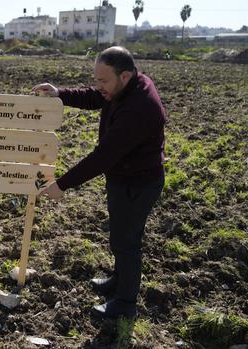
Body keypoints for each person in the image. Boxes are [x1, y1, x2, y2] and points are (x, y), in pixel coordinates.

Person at [32, 46, 167, 319]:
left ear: (125, 76)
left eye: (103, 80)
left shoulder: (138, 109)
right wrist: (61, 94)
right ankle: (119, 281)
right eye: (97, 79)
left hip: (138, 183)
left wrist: (62, 184)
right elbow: (97, 96)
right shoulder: (124, 87)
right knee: (121, 235)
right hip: (124, 176)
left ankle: (125, 304)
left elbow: (102, 157)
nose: (98, 86)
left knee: (126, 241)